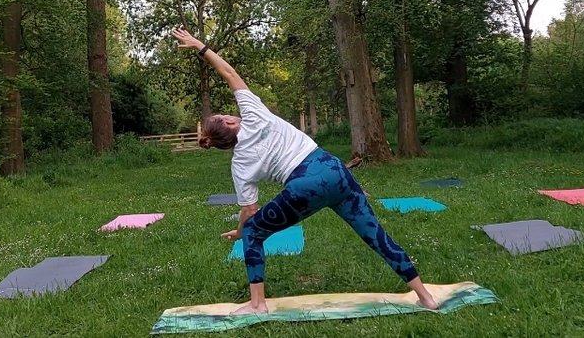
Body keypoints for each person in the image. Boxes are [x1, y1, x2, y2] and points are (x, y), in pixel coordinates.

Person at [170, 28, 440, 315]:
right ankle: (425, 296)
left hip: (305, 187)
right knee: (375, 236)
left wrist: (240, 231)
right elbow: (228, 72)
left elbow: (249, 211)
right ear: (229, 122)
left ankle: (257, 304)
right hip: (335, 170)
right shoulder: (254, 114)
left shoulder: (239, 165)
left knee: (253, 232)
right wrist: (200, 45)